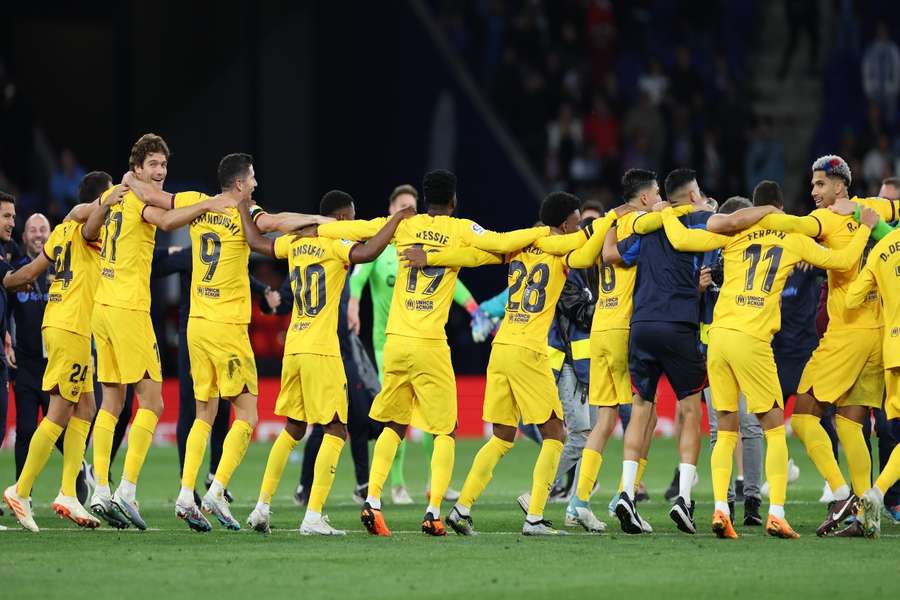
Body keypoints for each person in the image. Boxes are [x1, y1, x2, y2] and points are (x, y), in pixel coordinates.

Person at [315, 169, 548, 536]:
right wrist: (544, 232)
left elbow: (351, 231)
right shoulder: (460, 229)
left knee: (393, 424)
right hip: (429, 345)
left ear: (424, 201)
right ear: (453, 201)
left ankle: (373, 500)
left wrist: (310, 227)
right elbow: (502, 243)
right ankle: (434, 510)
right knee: (445, 431)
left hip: (394, 341)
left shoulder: (405, 225)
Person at [659, 180, 877, 539]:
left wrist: (667, 213)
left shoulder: (734, 235)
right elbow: (843, 260)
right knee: (775, 428)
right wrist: (865, 228)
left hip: (719, 337)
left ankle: (719, 509)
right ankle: (776, 512)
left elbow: (682, 241)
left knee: (724, 429)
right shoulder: (791, 239)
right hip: (752, 339)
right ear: (779, 208)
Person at [123, 152, 322, 532]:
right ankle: (216, 491)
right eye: (252, 179)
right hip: (228, 328)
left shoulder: (198, 204)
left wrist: (132, 183)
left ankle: (186, 494)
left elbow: (158, 200)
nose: (256, 185)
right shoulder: (245, 211)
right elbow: (278, 223)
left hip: (196, 325)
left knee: (204, 413)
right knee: (247, 415)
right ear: (239, 184)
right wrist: (319, 221)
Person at [735, 155, 900, 536]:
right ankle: (864, 515)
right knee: (850, 424)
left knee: (806, 417)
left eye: (820, 184)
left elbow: (789, 223)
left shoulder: (823, 220)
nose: (813, 191)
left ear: (840, 185)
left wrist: (747, 217)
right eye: (812, 185)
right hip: (879, 334)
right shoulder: (874, 208)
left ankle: (843, 495)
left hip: (846, 333)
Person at [415, 192, 596, 535]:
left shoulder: (518, 247)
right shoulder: (563, 250)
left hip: (502, 346)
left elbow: (472, 255)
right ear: (564, 224)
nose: (577, 225)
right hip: (528, 350)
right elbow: (588, 250)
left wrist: (431, 257)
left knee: (501, 436)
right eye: (575, 220)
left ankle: (462, 508)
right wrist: (610, 223)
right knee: (556, 433)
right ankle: (535, 517)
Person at [87, 133, 242, 530]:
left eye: (163, 165)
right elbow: (169, 217)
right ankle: (124, 489)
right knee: (153, 404)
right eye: (152, 165)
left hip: (102, 307)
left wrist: (107, 199)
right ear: (137, 167)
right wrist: (207, 202)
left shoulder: (116, 195)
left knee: (111, 402)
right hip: (128, 308)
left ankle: (100, 490)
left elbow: (88, 231)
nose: (160, 172)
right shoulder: (137, 197)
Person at [242, 191, 412, 535]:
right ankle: (314, 516)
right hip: (322, 348)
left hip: (294, 345)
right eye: (351, 217)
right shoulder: (335, 245)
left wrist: (245, 209)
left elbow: (257, 242)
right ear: (343, 219)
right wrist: (395, 221)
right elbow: (368, 250)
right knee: (336, 429)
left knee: (294, 427)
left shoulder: (295, 243)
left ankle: (261, 507)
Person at [346, 184, 481, 505]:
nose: (408, 211)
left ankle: (435, 484)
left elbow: (452, 277)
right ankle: (397, 484)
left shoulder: (420, 242)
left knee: (427, 419)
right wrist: (352, 306)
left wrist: (474, 308)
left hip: (418, 341)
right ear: (391, 210)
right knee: (400, 418)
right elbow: (357, 278)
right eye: (401, 207)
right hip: (386, 343)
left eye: (412, 206)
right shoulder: (382, 247)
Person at [1, 182, 117, 532]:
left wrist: (5, 282)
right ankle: (20, 490)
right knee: (58, 412)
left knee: (86, 407)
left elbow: (32, 271)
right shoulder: (89, 230)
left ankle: (68, 492)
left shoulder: (64, 229)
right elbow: (93, 218)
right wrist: (114, 195)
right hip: (70, 327)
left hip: (70, 328)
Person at [610, 169, 713, 535]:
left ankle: (625, 492)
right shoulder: (700, 221)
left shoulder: (648, 226)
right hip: (679, 324)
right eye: (698, 192)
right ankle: (684, 499)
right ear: (689, 196)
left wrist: (616, 220)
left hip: (641, 326)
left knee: (641, 409)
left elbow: (614, 255)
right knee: (689, 409)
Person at [564, 169, 666, 533]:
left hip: (600, 328)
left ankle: (578, 501)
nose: (659, 196)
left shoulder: (608, 223)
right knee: (646, 412)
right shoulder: (644, 222)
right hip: (625, 327)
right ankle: (626, 493)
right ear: (643, 197)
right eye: (655, 192)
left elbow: (585, 258)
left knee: (605, 419)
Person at [848, 216, 900, 536]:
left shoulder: (881, 249)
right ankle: (875, 495)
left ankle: (874, 495)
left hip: (892, 349)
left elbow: (854, 298)